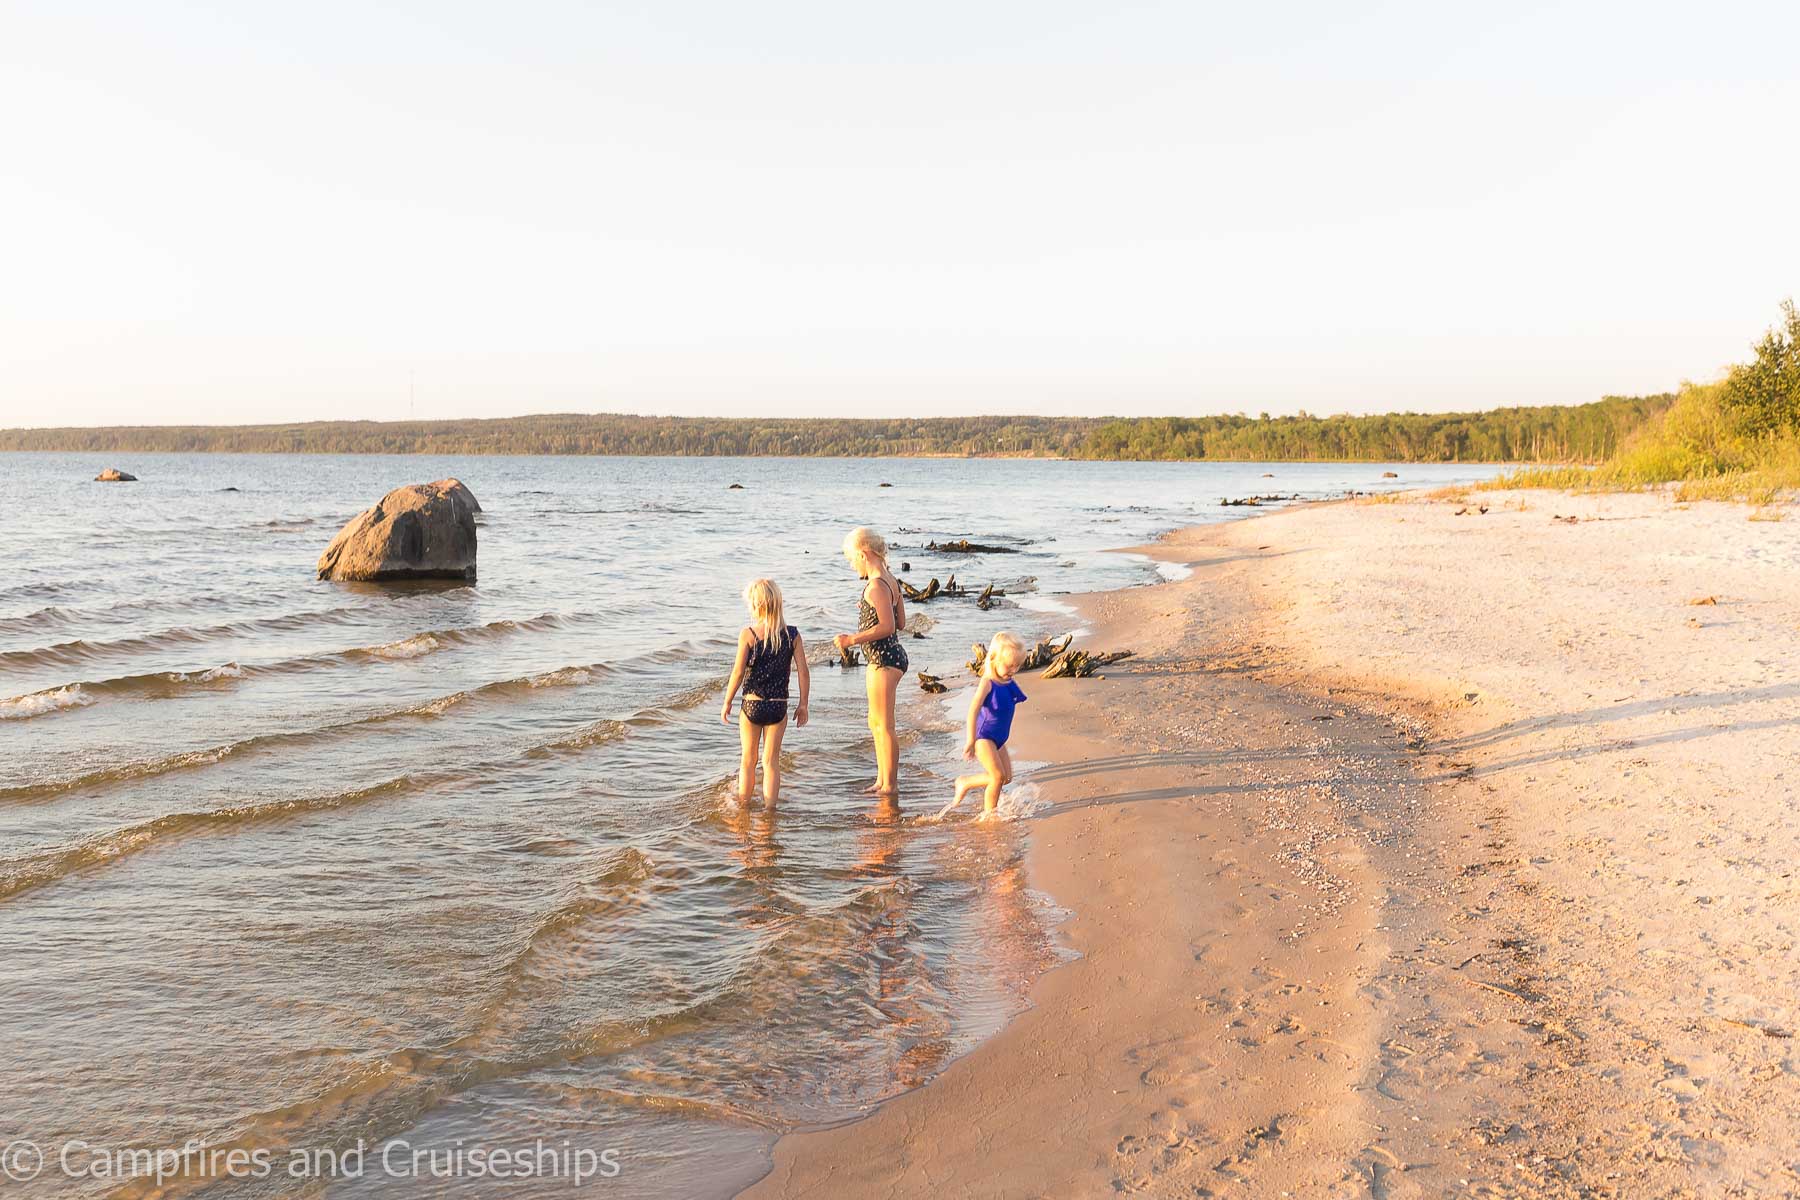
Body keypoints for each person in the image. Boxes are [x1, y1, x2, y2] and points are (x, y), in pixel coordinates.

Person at [833, 527, 907, 797]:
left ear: (864, 554)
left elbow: (888, 626)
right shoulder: (891, 581)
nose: (852, 565)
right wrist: (869, 613)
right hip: (888, 657)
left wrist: (851, 639)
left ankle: (890, 785)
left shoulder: (876, 585)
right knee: (875, 722)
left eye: (852, 559)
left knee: (884, 724)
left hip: (883, 659)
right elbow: (902, 622)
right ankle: (881, 779)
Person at [721, 579, 808, 804]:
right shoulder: (792, 635)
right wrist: (803, 704)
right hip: (778, 706)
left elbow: (738, 673)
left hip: (752, 704)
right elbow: (803, 672)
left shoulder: (749, 634)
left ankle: (744, 806)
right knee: (771, 763)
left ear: (756, 606)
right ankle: (770, 811)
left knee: (748, 761)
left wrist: (727, 701)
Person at [953, 631, 1028, 820]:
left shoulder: (1008, 681)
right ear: (993, 659)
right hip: (984, 737)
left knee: (1006, 778)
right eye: (1009, 665)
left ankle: (966, 782)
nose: (1013, 670)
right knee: (996, 777)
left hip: (999, 739)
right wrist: (970, 740)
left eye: (1017, 666)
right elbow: (973, 710)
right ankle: (990, 816)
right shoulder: (988, 683)